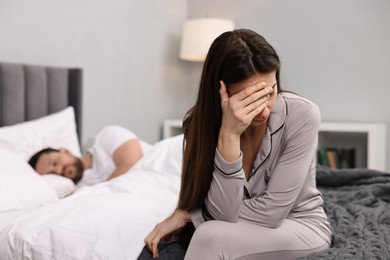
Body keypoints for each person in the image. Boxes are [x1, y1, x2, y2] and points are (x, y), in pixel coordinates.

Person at [141, 29, 332, 260]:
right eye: (250, 99)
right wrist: (229, 135)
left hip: (299, 224)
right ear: (221, 91)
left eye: (269, 94)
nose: (263, 110)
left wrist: (193, 214)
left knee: (209, 236)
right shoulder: (198, 124)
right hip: (235, 229)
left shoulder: (302, 115)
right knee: (209, 234)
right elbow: (223, 213)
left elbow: (272, 212)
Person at [29, 125, 150, 185]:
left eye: (54, 163)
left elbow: (131, 164)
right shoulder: (80, 191)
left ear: (64, 150)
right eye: (53, 174)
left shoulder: (106, 137)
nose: (59, 170)